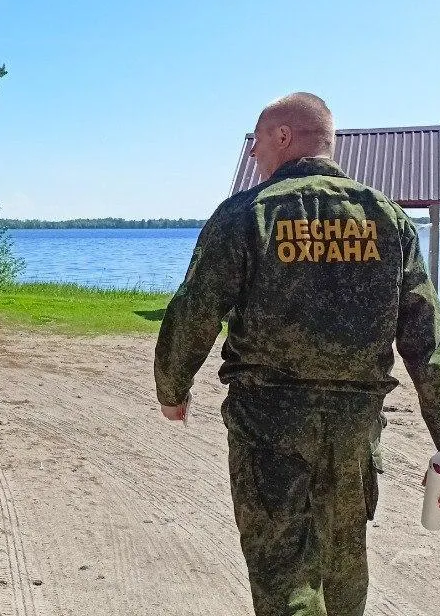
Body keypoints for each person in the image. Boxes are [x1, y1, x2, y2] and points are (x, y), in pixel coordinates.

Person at [154, 92, 440, 616]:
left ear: (284, 136)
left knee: (281, 566)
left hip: (268, 422)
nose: (255, 156)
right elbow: (427, 340)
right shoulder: (387, 217)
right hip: (355, 425)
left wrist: (173, 388)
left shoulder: (248, 214)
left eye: (259, 143)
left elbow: (194, 309)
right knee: (343, 561)